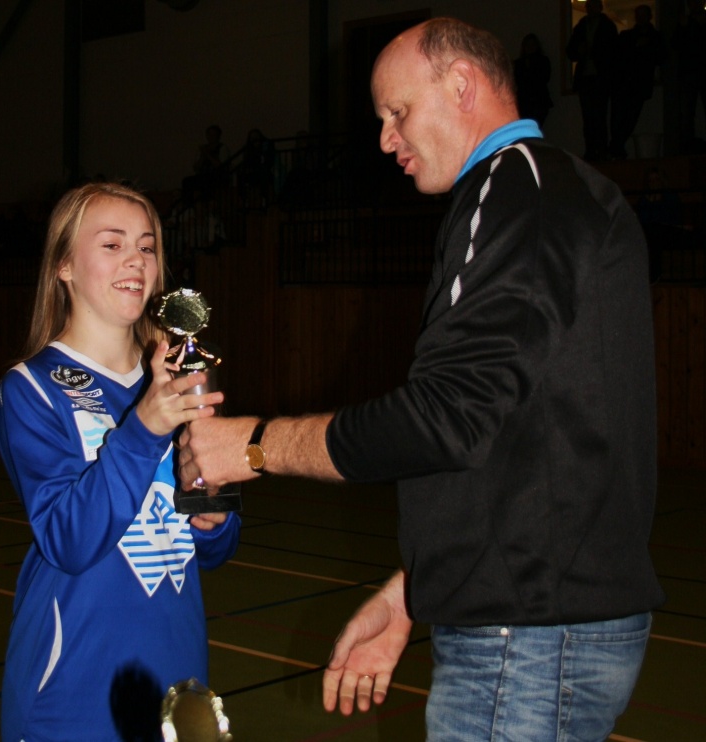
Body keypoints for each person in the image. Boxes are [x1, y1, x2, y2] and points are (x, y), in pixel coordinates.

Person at [179, 16, 665, 741]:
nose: (385, 140)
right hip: (540, 626)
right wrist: (415, 592)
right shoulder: (550, 194)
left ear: (461, 85)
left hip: (527, 641)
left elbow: (445, 417)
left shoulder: (514, 189)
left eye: (397, 112)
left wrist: (252, 445)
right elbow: (519, 437)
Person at [0, 181, 240, 741]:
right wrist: (144, 429)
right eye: (112, 244)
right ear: (64, 266)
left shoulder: (177, 377)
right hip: (72, 689)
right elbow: (68, 538)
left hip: (177, 676)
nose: (136, 259)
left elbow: (213, 547)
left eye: (147, 246)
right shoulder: (31, 388)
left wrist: (215, 516)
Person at [608, 4, 666, 160]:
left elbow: (661, 57)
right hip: (625, 83)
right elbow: (618, 56)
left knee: (627, 118)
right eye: (638, 15)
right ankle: (616, 147)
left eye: (642, 15)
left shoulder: (653, 38)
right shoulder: (629, 36)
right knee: (620, 118)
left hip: (636, 84)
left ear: (649, 17)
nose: (640, 18)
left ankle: (616, 147)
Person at [566, 0, 619, 160]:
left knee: (598, 116)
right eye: (589, 6)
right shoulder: (583, 26)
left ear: (599, 7)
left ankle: (599, 149)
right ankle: (592, 149)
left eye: (592, 6)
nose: (590, 9)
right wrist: (580, 51)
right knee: (589, 117)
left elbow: (613, 51)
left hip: (600, 77)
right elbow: (570, 51)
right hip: (588, 78)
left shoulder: (606, 26)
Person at [672, 0, 706, 153]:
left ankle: (689, 145)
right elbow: (675, 44)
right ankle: (688, 146)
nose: (694, 5)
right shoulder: (685, 22)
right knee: (687, 112)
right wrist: (684, 27)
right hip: (689, 72)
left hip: (695, 71)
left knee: (688, 111)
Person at [513, 33, 553, 128]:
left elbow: (545, 78)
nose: (530, 48)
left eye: (532, 45)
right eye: (528, 45)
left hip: (539, 101)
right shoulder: (519, 63)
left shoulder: (543, 61)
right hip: (524, 102)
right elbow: (517, 81)